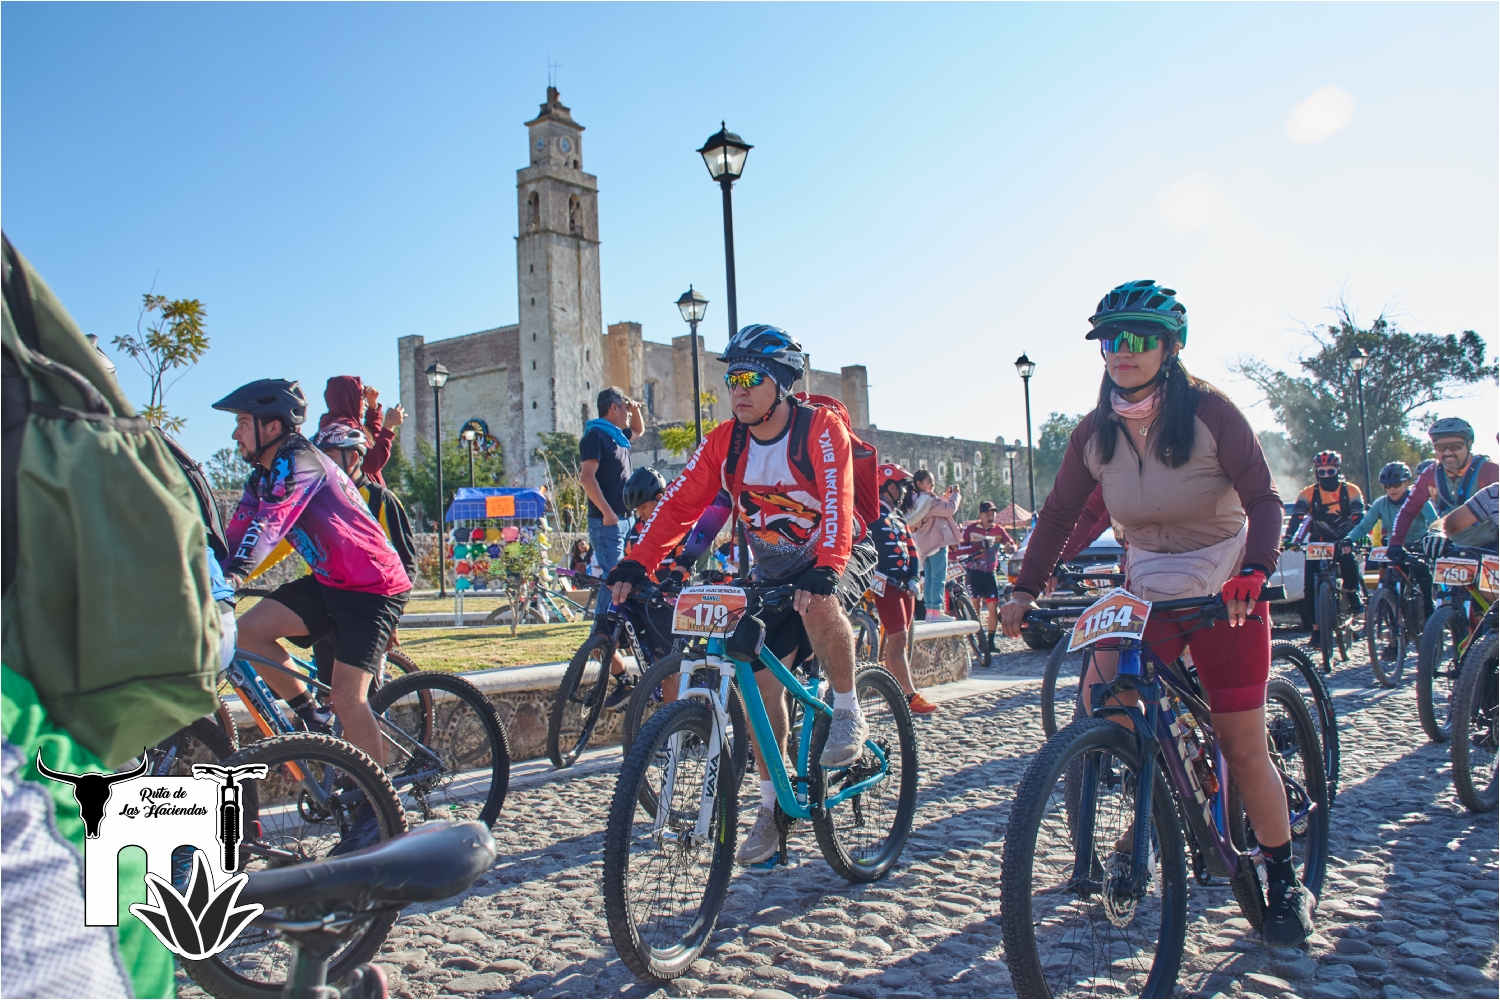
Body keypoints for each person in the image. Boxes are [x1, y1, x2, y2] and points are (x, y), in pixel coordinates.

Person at [999, 279, 1314, 948]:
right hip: (1149, 587)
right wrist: (1025, 588)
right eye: (1111, 339)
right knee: (1105, 705)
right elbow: (1060, 514)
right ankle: (1149, 816)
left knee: (1242, 744)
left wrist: (1256, 571)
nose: (1123, 350)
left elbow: (1264, 500)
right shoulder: (1095, 432)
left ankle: (1286, 878)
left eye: (1140, 338)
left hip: (1225, 588)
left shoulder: (1211, 413)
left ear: (1170, 348)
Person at [606, 324, 877, 866]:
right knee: (759, 686)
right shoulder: (726, 441)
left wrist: (826, 566)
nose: (738, 390)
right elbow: (681, 503)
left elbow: (839, 501)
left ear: (780, 382)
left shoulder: (819, 429)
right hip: (774, 573)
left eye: (751, 379)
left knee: (817, 603)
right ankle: (773, 806)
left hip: (837, 552)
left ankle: (848, 710)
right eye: (732, 380)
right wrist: (641, 560)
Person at [213, 379, 412, 855]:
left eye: (243, 423)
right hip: (331, 580)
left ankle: (378, 812)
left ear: (271, 426)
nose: (236, 434)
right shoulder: (262, 476)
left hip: (372, 586)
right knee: (247, 634)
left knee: (349, 696)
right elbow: (235, 534)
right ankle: (313, 718)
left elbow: (268, 526)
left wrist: (232, 579)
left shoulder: (300, 462)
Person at [309, 423, 418, 688]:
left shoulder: (381, 500)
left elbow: (405, 563)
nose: (321, 464)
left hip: (368, 612)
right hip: (327, 607)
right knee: (327, 693)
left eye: (329, 456)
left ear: (353, 458)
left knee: (362, 697)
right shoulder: (318, 500)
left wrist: (391, 618)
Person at [870, 463, 936, 713]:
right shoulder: (870, 514)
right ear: (889, 487)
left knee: (901, 640)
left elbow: (912, 550)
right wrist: (879, 576)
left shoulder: (897, 516)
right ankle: (908, 696)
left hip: (905, 587)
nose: (905, 492)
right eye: (901, 486)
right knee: (897, 638)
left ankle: (895, 695)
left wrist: (914, 578)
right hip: (885, 586)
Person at [1285, 451, 1366, 644]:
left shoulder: (1351, 490)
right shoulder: (1308, 493)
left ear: (1338, 471)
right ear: (1316, 473)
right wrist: (1288, 538)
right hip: (1318, 542)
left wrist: (1359, 536)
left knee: (1348, 560)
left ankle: (1352, 594)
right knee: (1309, 586)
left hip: (1343, 540)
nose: (1326, 475)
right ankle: (1316, 630)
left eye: (1330, 471)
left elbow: (1358, 516)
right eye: (1321, 472)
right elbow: (1297, 517)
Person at [1388, 418, 1498, 557]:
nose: (1447, 453)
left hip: (1489, 546)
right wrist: (1395, 544)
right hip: (1450, 546)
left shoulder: (1489, 470)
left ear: (1469, 444)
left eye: (1455, 446)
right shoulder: (1429, 475)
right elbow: (1409, 511)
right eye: (1440, 447)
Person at [579, 386, 645, 615]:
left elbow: (638, 429)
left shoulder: (617, 436)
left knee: (623, 577)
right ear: (614, 408)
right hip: (607, 521)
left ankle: (616, 628)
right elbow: (586, 477)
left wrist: (635, 409)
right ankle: (602, 632)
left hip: (624, 519)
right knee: (613, 579)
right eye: (625, 407)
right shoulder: (596, 435)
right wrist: (607, 512)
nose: (628, 412)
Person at [317, 375, 404, 487]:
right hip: (360, 495)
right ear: (349, 398)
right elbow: (371, 463)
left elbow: (372, 440)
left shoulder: (340, 424)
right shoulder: (342, 428)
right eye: (362, 397)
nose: (366, 403)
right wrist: (389, 427)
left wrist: (373, 406)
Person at [957, 500, 1015, 664]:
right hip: (973, 572)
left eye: (993, 514)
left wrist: (1010, 547)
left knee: (993, 606)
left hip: (990, 573)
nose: (991, 517)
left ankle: (990, 641)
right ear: (980, 515)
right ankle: (979, 640)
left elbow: (1010, 543)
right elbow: (959, 548)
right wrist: (976, 547)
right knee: (975, 606)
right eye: (987, 514)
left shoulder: (998, 530)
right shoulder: (970, 529)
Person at [907, 469, 962, 622]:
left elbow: (939, 506)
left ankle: (930, 611)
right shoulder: (929, 501)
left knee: (930, 578)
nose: (933, 484)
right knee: (938, 577)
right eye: (929, 481)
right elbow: (949, 508)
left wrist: (945, 496)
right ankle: (936, 610)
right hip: (937, 542)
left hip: (925, 545)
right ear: (919, 484)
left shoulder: (917, 501)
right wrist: (955, 494)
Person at [1344, 462, 1437, 549]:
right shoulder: (1380, 504)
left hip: (1419, 549)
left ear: (1407, 483)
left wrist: (1431, 539)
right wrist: (1349, 539)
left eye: (1396, 484)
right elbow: (1363, 527)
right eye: (1387, 486)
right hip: (1394, 549)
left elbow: (1435, 524)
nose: (1392, 489)